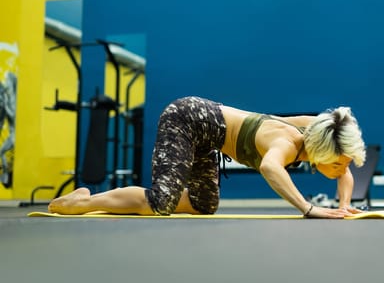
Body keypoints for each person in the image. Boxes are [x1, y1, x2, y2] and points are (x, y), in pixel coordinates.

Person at [48, 96, 367, 218]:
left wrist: (342, 205)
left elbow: (344, 168)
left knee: (203, 205)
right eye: (338, 163)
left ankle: (163, 197)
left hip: (208, 135)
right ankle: (83, 201)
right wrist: (309, 209)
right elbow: (270, 168)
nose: (342, 170)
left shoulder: (321, 131)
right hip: (185, 119)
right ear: (322, 153)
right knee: (161, 202)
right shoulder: (284, 144)